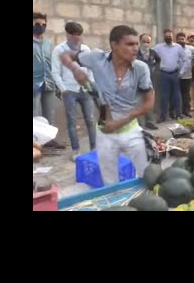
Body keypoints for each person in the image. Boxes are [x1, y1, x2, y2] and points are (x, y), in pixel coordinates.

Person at [60, 25, 155, 186]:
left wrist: (121, 121)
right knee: (110, 182)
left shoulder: (140, 68)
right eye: (129, 44)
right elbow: (65, 55)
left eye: (136, 44)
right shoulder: (97, 59)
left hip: (131, 129)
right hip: (105, 130)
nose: (135, 49)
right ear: (114, 45)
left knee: (147, 176)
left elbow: (149, 103)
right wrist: (76, 69)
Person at [52, 22, 96, 161]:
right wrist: (63, 89)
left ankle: (94, 148)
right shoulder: (59, 50)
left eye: (79, 35)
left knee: (90, 119)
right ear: (67, 34)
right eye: (74, 35)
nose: (77, 38)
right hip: (69, 90)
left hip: (85, 89)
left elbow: (90, 68)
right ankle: (76, 150)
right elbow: (55, 72)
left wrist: (92, 85)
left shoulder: (85, 49)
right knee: (71, 121)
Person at [33, 12, 65, 149]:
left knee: (49, 113)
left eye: (43, 24)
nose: (41, 27)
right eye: (37, 24)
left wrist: (58, 84)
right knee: (35, 115)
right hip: (34, 83)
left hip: (48, 83)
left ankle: (49, 140)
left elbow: (53, 63)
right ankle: (35, 143)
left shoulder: (48, 44)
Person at [153, 29, 185, 122]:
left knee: (176, 96)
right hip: (163, 74)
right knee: (163, 96)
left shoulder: (178, 47)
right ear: (164, 37)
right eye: (166, 36)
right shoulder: (158, 47)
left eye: (170, 36)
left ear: (172, 37)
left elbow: (185, 60)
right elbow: (150, 54)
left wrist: (181, 72)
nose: (168, 38)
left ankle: (178, 114)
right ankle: (163, 116)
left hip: (175, 74)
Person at [137, 34, 161, 129]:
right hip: (138, 82)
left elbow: (158, 61)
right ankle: (141, 124)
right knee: (139, 103)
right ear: (140, 41)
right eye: (144, 42)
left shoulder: (152, 53)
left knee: (150, 102)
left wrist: (155, 69)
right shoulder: (136, 53)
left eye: (148, 42)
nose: (146, 44)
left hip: (150, 81)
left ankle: (150, 122)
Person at [177, 32, 194, 118]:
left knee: (186, 95)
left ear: (185, 40)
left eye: (183, 39)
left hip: (187, 76)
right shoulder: (174, 48)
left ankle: (186, 111)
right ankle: (177, 112)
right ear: (177, 40)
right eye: (179, 39)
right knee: (177, 95)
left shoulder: (190, 49)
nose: (181, 41)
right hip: (176, 76)